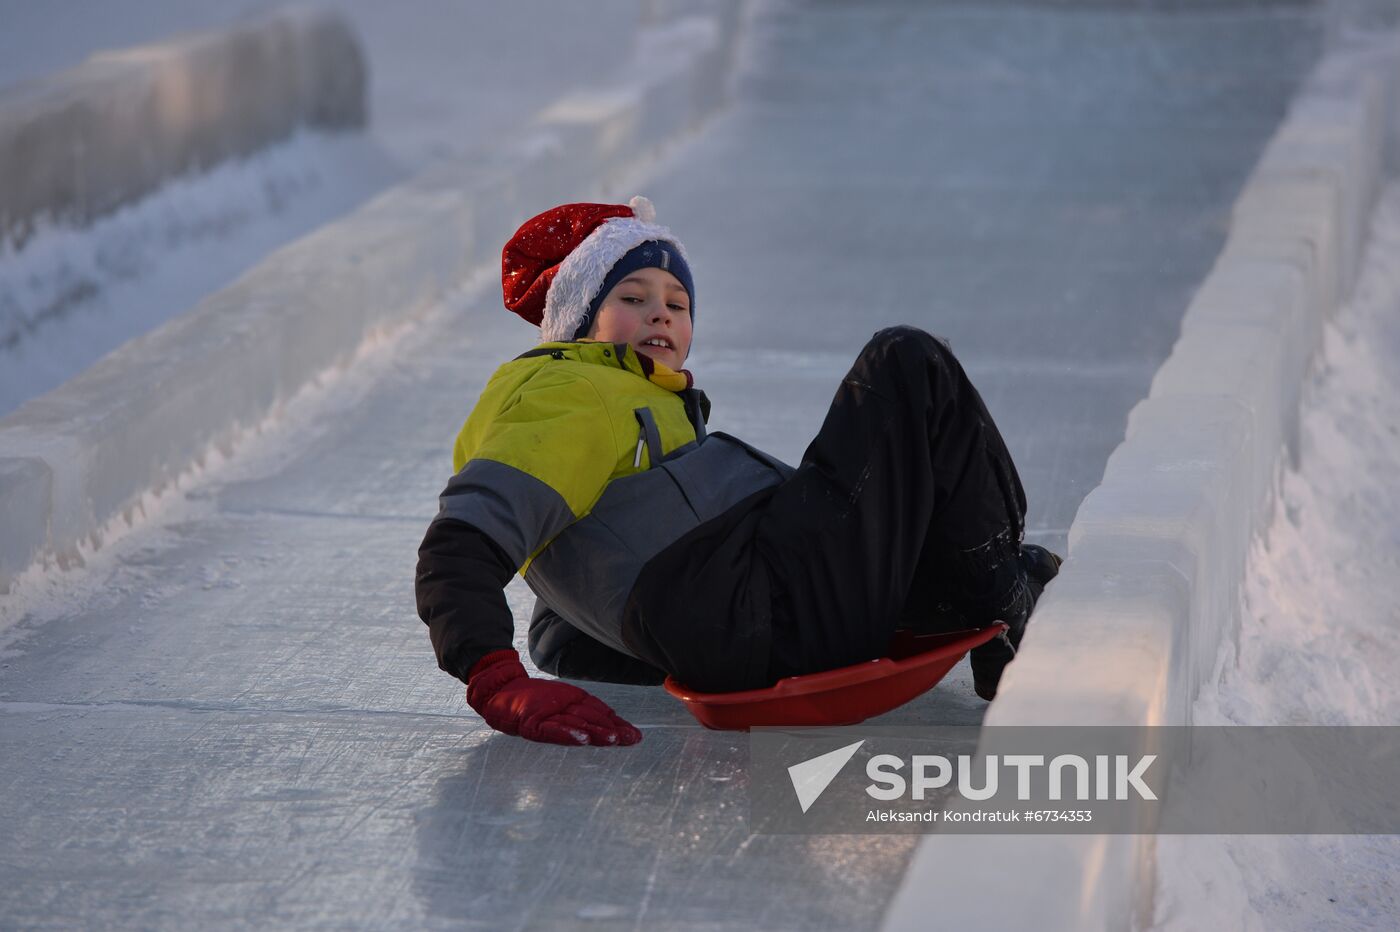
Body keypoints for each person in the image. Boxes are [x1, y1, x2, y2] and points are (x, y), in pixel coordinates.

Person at [414, 196, 1060, 748]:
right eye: (631, 297)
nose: (661, 313)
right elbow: (466, 538)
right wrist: (491, 674)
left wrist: (572, 648)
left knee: (921, 520)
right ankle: (997, 590)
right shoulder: (570, 391)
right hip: (757, 602)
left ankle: (957, 587)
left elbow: (580, 574)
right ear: (576, 320)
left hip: (743, 619)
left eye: (678, 302)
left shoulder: (621, 405)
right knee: (908, 360)